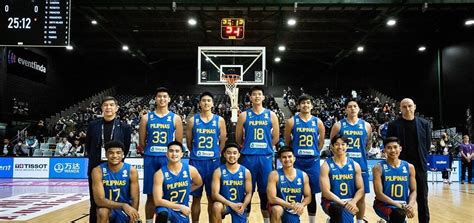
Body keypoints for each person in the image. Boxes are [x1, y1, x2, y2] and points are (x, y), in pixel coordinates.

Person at [235, 86, 280, 223]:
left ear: (263, 97)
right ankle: (245, 219)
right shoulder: (243, 115)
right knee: (246, 192)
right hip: (248, 158)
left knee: (265, 193)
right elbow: (238, 139)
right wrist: (248, 146)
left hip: (265, 158)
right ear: (250, 97)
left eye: (259, 94)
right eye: (254, 94)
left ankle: (266, 220)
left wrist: (265, 147)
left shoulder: (271, 115)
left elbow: (276, 138)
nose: (256, 96)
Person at [140, 87, 183, 223]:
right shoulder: (146, 118)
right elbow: (141, 142)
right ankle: (148, 221)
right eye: (159, 96)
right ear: (155, 99)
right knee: (151, 195)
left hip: (168, 159)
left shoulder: (175, 118)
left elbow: (178, 143)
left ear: (169, 99)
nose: (162, 99)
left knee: (169, 193)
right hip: (151, 158)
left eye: (165, 96)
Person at [85, 96, 132, 223]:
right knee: (95, 202)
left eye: (111, 105)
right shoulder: (93, 125)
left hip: (116, 169)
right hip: (96, 166)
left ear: (116, 108)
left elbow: (125, 149)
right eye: (105, 105)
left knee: (119, 199)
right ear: (101, 108)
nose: (108, 107)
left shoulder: (125, 127)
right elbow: (88, 146)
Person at [386, 98, 431, 223]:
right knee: (398, 198)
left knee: (422, 199)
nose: (407, 109)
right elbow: (389, 146)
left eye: (410, 106)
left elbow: (426, 146)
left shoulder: (424, 124)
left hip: (420, 167)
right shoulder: (393, 125)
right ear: (400, 109)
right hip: (400, 167)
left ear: (414, 107)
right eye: (404, 107)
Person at [186, 92, 227, 222]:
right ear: (199, 103)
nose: (206, 103)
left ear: (213, 104)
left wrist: (215, 153)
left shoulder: (219, 120)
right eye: (203, 100)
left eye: (209, 100)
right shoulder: (193, 120)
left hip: (213, 162)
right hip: (196, 162)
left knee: (212, 198)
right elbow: (189, 142)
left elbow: (222, 142)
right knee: (196, 198)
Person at [284, 94, 325, 223]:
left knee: (311, 194)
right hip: (297, 161)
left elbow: (321, 143)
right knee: (294, 191)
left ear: (312, 105)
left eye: (308, 103)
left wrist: (312, 152)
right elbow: (287, 142)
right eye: (303, 103)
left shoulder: (318, 122)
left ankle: (312, 221)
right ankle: (293, 219)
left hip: (312, 162)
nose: (305, 105)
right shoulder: (291, 121)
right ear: (298, 106)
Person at [330, 100, 371, 223]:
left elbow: (368, 145)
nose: (352, 109)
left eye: (355, 106)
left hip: (361, 165)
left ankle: (359, 221)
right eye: (349, 107)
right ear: (345, 109)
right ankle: (338, 218)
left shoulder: (366, 125)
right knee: (340, 196)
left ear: (358, 109)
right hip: (342, 166)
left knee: (361, 198)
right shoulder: (338, 125)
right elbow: (332, 145)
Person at [91, 141, 140, 223]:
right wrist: (123, 205)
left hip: (125, 210)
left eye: (118, 153)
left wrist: (133, 215)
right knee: (102, 212)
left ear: (123, 154)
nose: (115, 156)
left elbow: (135, 198)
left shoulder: (131, 170)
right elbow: (99, 200)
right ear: (106, 154)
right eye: (111, 153)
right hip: (109, 208)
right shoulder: (98, 171)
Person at [153, 141, 202, 223]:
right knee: (162, 214)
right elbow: (157, 201)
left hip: (182, 211)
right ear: (167, 154)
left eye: (177, 151)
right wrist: (180, 206)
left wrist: (187, 190)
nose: (174, 154)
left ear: (182, 154)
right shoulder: (159, 174)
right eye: (171, 151)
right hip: (166, 207)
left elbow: (199, 183)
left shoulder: (191, 170)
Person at [320, 134, 364, 223]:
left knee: (343, 216)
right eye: (336, 144)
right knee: (339, 211)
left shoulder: (355, 165)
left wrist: (353, 202)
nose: (340, 147)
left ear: (347, 146)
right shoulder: (326, 165)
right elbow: (325, 192)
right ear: (332, 147)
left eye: (343, 144)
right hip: (331, 202)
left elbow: (361, 189)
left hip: (350, 201)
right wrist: (344, 204)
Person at [373, 137, 417, 223]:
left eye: (395, 147)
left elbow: (413, 190)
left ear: (400, 148)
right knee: (398, 214)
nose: (393, 150)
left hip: (402, 206)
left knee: (398, 215)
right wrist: (401, 207)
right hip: (383, 205)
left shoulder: (409, 167)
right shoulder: (378, 167)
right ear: (384, 150)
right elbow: (379, 194)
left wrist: (410, 206)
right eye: (389, 148)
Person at [267, 146, 311, 223]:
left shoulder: (303, 175)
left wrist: (302, 204)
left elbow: (308, 196)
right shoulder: (274, 175)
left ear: (294, 158)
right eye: (284, 157)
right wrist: (291, 205)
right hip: (280, 207)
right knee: (277, 210)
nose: (287, 159)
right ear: (280, 160)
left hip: (294, 211)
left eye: (289, 156)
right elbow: (271, 198)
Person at [211, 143, 252, 223]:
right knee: (216, 206)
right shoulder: (218, 171)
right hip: (225, 204)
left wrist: (244, 205)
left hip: (239, 205)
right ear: (224, 154)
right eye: (229, 153)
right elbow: (214, 194)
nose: (232, 156)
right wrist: (231, 204)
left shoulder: (246, 172)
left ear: (239, 155)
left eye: (234, 153)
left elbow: (249, 193)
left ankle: (244, 218)